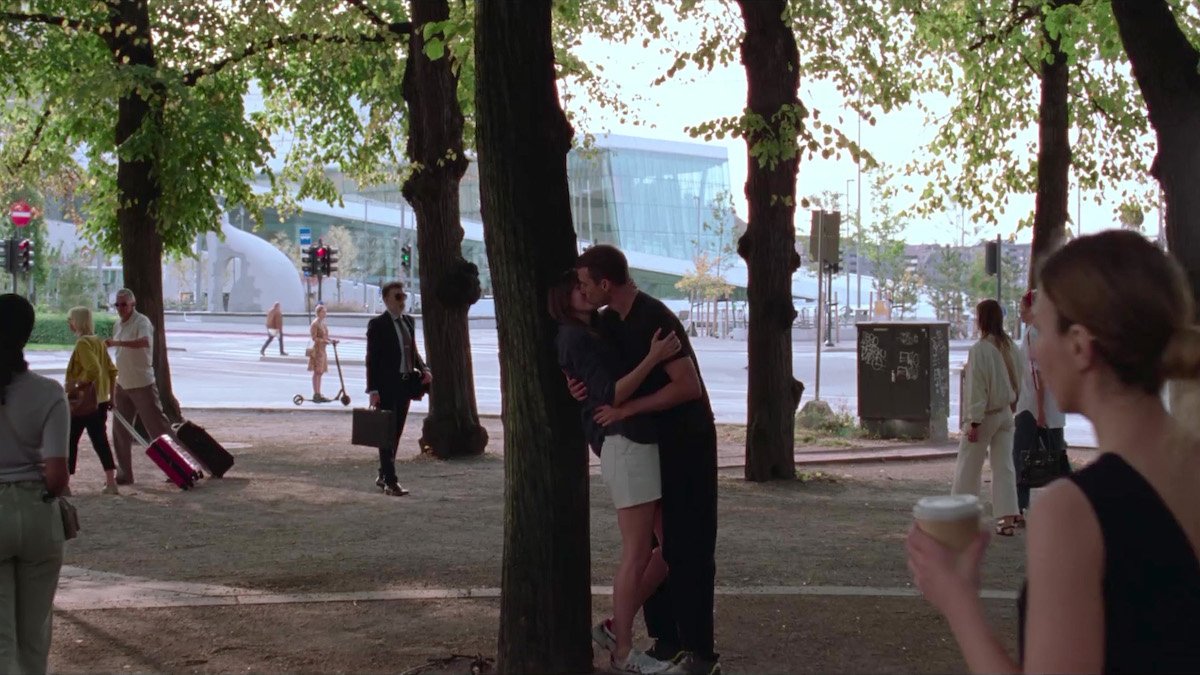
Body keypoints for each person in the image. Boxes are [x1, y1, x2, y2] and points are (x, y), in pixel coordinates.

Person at [907, 230, 1200, 673]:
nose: (1037, 350)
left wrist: (957, 600)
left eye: (1042, 330)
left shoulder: (1074, 513)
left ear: (1080, 345)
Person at [572, 245, 720, 675]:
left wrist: (627, 410)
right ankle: (665, 639)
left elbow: (687, 386)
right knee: (660, 546)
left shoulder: (654, 318)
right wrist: (578, 387)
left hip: (687, 442)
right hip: (652, 442)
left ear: (605, 283)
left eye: (585, 283)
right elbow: (605, 377)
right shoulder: (608, 322)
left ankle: (699, 652)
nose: (581, 290)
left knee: (688, 547)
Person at [549, 273, 681, 674]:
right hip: (623, 442)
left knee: (670, 547)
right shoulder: (574, 336)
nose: (585, 290)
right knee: (638, 551)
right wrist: (654, 357)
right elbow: (609, 393)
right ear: (564, 299)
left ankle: (614, 627)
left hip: (634, 439)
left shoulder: (600, 326)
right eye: (577, 287)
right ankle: (623, 651)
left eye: (585, 284)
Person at [0, 294, 70, 674]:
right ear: (28, 334)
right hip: (38, 515)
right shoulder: (49, 393)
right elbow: (58, 477)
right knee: (34, 637)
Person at [952, 298, 1024, 536]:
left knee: (968, 467)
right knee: (1004, 467)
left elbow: (977, 389)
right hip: (1006, 413)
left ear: (981, 320)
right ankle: (1008, 518)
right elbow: (1020, 377)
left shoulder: (980, 350)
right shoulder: (1010, 346)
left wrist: (973, 421)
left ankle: (962, 517)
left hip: (985, 416)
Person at [365, 282, 431, 497]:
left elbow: (413, 351)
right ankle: (391, 481)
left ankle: (383, 474)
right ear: (386, 300)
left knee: (397, 432)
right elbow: (372, 359)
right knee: (386, 433)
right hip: (386, 386)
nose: (402, 300)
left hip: (405, 384)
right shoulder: (378, 325)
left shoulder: (409, 321)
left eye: (404, 296)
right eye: (398, 297)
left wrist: (424, 369)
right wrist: (373, 390)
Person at [107, 288, 177, 485]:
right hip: (123, 383)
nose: (120, 308)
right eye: (117, 305)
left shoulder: (142, 322)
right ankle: (125, 473)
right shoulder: (117, 324)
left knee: (157, 427)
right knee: (120, 431)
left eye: (124, 304)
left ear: (133, 304)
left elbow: (144, 342)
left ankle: (176, 467)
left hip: (142, 383)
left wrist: (117, 342)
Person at [1013, 289, 1068, 518]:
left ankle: (1019, 505)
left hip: (1032, 407)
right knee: (1057, 456)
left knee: (1020, 455)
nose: (1021, 313)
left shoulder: (1032, 334)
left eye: (1023, 309)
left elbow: (1036, 374)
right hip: (1053, 407)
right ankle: (1068, 502)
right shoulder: (1054, 333)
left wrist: (1040, 411)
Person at [65, 306, 120, 495]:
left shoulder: (83, 343)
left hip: (84, 402)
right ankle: (111, 482)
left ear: (77, 322)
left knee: (70, 440)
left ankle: (65, 483)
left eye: (70, 320)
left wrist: (77, 386)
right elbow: (112, 371)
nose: (69, 323)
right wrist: (112, 397)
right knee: (100, 440)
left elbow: (93, 370)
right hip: (101, 400)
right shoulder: (97, 341)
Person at [307, 305, 335, 403]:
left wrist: (331, 341)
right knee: (317, 371)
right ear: (318, 313)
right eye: (323, 312)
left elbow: (325, 336)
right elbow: (314, 338)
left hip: (323, 350)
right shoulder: (315, 324)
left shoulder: (323, 323)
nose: (325, 314)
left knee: (321, 371)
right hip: (317, 350)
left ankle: (318, 392)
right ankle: (316, 393)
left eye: (325, 312)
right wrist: (324, 341)